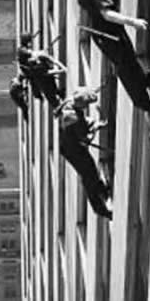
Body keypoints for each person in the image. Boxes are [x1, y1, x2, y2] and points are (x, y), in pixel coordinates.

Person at [56, 87, 112, 219]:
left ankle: (102, 189)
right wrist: (96, 126)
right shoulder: (71, 117)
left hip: (71, 144)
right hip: (72, 150)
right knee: (88, 175)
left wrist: (91, 123)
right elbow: (84, 137)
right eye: (86, 104)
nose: (87, 107)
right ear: (80, 103)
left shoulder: (70, 102)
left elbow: (82, 122)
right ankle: (100, 209)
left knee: (91, 167)